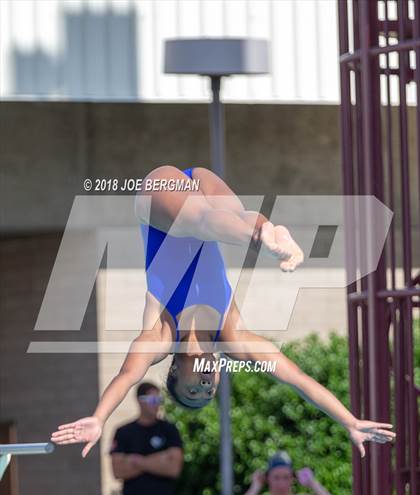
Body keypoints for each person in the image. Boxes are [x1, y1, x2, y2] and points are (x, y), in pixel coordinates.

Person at [50, 165, 396, 458]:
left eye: (192, 391)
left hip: (157, 201)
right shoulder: (233, 336)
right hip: (204, 191)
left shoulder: (160, 335)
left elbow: (126, 377)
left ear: (174, 374)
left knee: (200, 221)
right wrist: (348, 420)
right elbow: (297, 379)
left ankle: (263, 237)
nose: (204, 386)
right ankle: (263, 232)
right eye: (208, 391)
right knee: (233, 216)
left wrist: (98, 417)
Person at [110, 382, 183, 495]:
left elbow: (174, 468)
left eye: (159, 399)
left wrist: (137, 461)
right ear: (139, 401)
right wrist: (159, 459)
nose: (156, 403)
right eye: (151, 399)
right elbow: (118, 471)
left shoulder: (169, 430)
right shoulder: (124, 432)